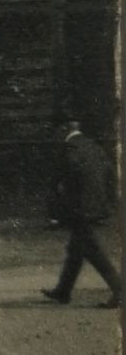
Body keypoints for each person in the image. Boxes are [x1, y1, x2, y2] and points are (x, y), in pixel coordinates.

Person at [42, 119, 121, 309]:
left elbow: (66, 178)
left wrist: (59, 207)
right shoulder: (93, 146)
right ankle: (63, 290)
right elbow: (110, 173)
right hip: (96, 205)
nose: (55, 138)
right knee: (76, 250)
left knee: (93, 251)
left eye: (57, 133)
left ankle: (120, 290)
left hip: (80, 208)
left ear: (64, 130)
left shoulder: (69, 149)